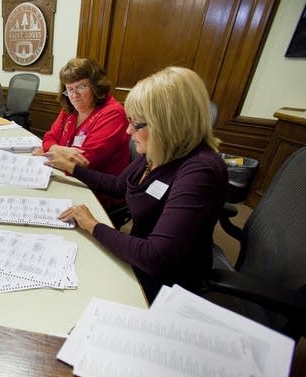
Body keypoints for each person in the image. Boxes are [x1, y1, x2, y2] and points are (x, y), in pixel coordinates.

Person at [52, 66, 228, 302]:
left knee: (74, 291)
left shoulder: (199, 171)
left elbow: (156, 256)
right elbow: (118, 186)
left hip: (167, 284)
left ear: (167, 124)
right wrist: (74, 168)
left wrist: (93, 225)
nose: (128, 130)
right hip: (138, 258)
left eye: (137, 124)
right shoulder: (160, 150)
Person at [33, 57, 130, 212]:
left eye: (81, 87)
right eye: (69, 89)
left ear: (96, 86)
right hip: (67, 178)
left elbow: (84, 161)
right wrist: (61, 150)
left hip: (97, 193)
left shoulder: (113, 113)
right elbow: (48, 138)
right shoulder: (69, 109)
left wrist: (49, 152)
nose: (74, 95)